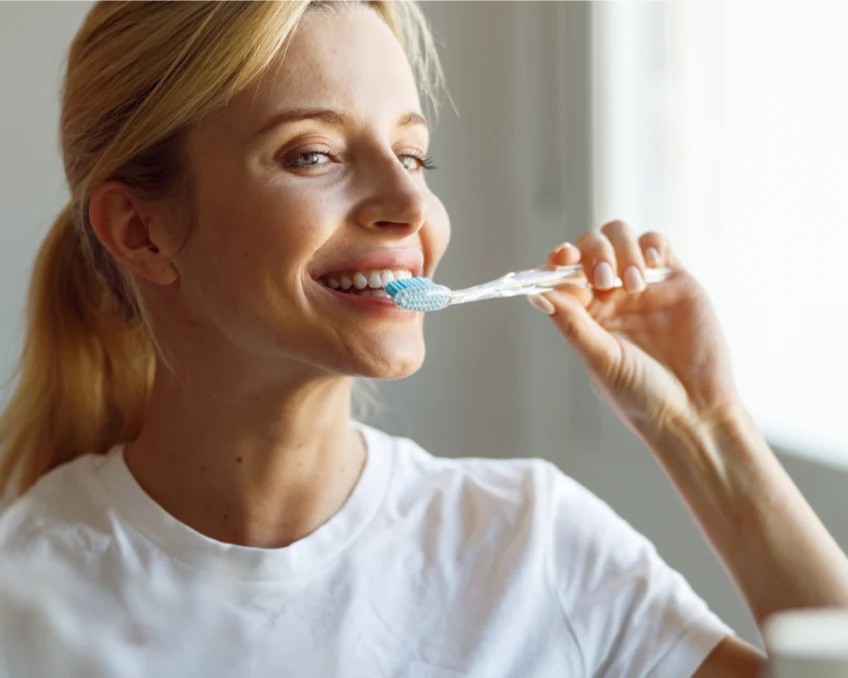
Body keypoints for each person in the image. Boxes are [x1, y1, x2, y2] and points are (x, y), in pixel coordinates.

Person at [0, 1, 846, 676]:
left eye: (412, 154)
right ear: (141, 231)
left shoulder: (531, 550)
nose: (410, 209)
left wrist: (705, 429)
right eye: (313, 155)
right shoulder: (26, 598)